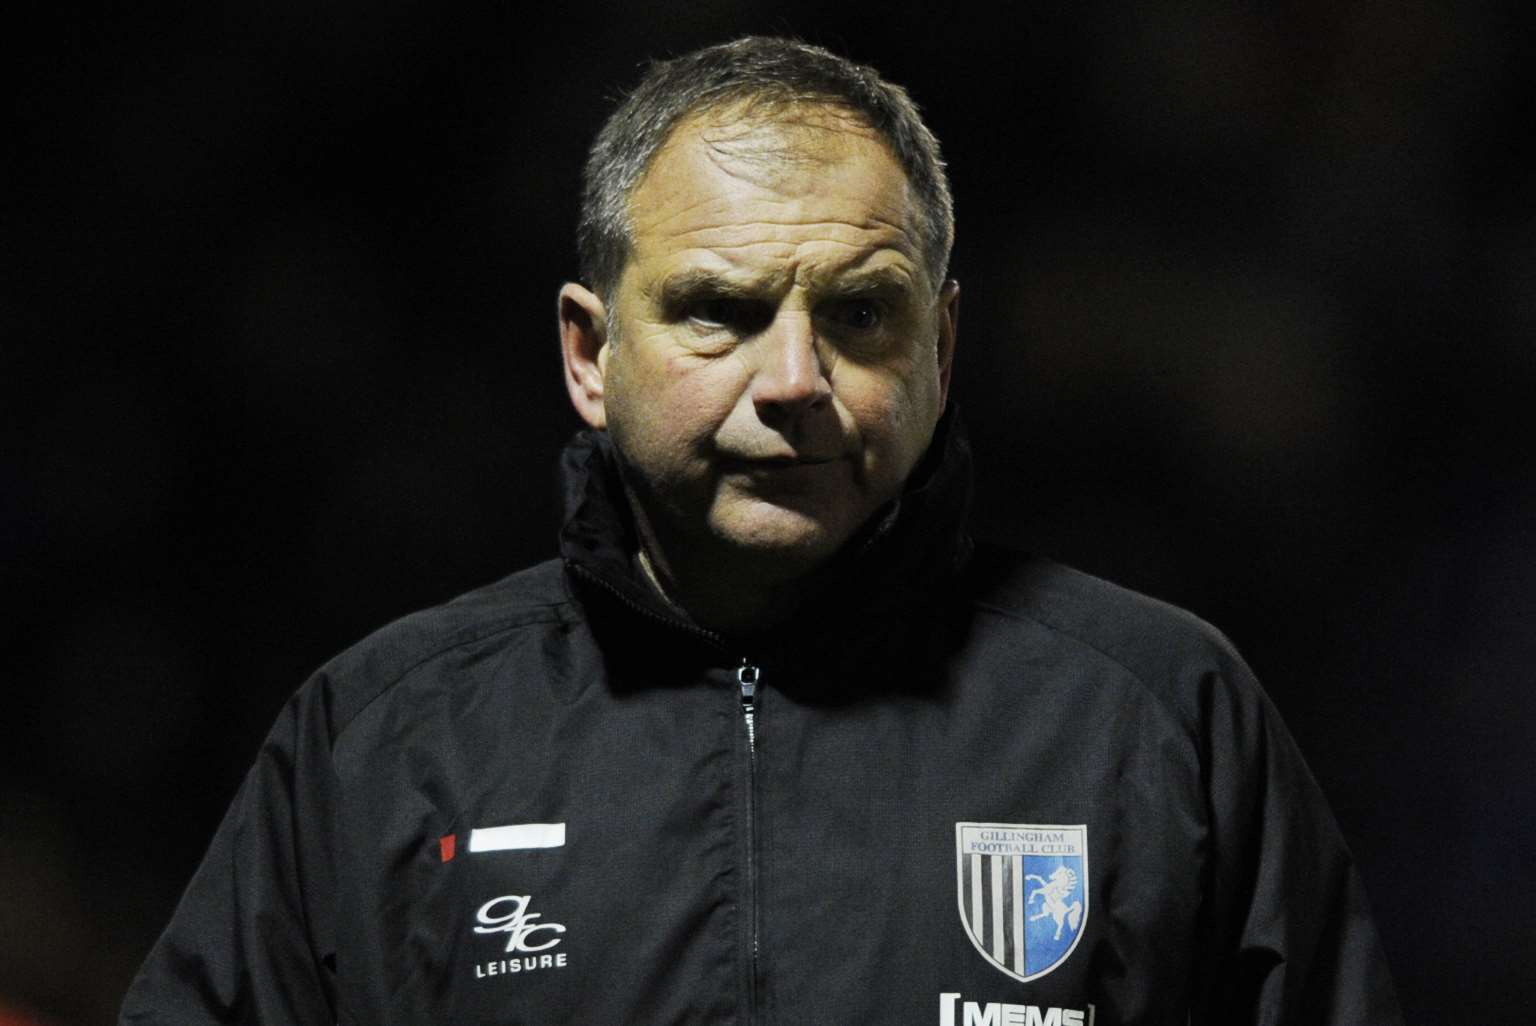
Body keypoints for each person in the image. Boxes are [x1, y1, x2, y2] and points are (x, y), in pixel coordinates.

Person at [120, 37, 1404, 1025]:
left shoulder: (1158, 715)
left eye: (858, 314)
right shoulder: (385, 736)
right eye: (720, 311)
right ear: (589, 352)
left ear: (941, 349)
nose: (795, 378)